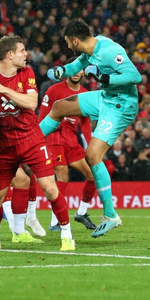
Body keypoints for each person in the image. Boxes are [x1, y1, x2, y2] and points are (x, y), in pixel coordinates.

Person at [0, 36, 75, 251]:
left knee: (49, 187)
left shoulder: (27, 73)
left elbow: (31, 102)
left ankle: (67, 237)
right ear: (10, 55)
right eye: (22, 50)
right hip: (3, 145)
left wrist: (4, 90)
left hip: (30, 141)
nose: (26, 54)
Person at [40, 19, 142, 237]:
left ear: (75, 40)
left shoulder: (109, 50)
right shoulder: (90, 49)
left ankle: (110, 214)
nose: (68, 46)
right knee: (59, 107)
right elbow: (75, 67)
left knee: (92, 155)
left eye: (68, 42)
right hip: (105, 97)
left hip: (120, 105)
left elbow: (135, 76)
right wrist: (61, 71)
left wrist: (104, 77)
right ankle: (32, 140)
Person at [38, 59, 97, 231]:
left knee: (92, 175)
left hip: (72, 140)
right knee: (62, 175)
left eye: (80, 70)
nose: (77, 73)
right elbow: (41, 118)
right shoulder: (54, 90)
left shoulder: (86, 94)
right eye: (74, 69)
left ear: (84, 73)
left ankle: (82, 212)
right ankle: (55, 220)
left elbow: (85, 123)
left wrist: (90, 144)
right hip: (54, 138)